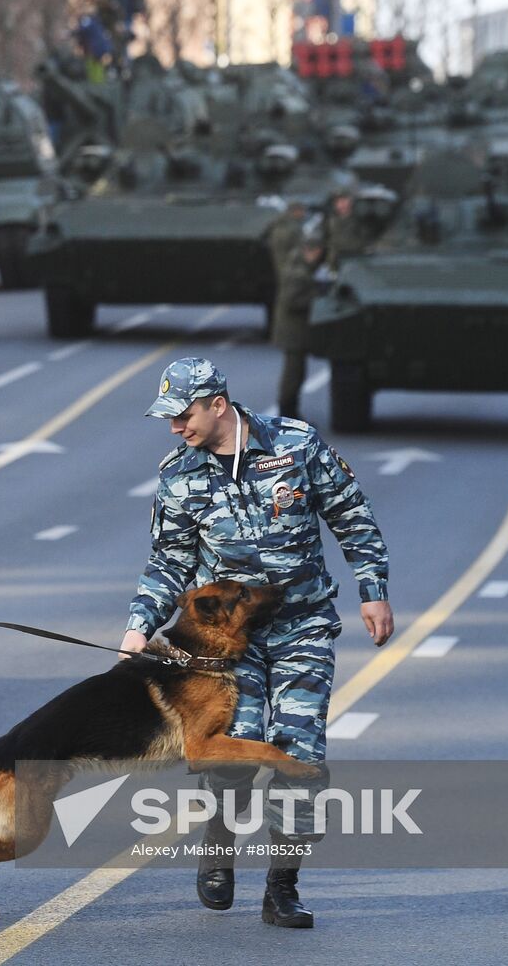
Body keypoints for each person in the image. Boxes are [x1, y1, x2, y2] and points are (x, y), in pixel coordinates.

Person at [119, 357, 394, 929]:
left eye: (183, 415)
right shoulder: (179, 474)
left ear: (218, 404)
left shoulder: (296, 445)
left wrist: (372, 591)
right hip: (223, 647)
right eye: (169, 418)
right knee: (234, 751)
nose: (175, 427)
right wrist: (138, 626)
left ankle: (282, 887)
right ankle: (218, 846)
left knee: (300, 758)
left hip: (302, 627)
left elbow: (352, 516)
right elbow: (169, 561)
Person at [272, 231, 327, 420]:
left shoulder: (301, 267)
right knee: (293, 375)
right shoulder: (298, 273)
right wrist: (317, 297)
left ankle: (290, 411)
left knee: (297, 373)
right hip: (293, 333)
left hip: (295, 332)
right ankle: (287, 411)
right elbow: (292, 301)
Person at [323, 188, 365, 272]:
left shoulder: (360, 220)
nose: (342, 204)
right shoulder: (330, 221)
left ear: (351, 201)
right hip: (335, 263)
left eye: (344, 200)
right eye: (338, 201)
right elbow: (325, 241)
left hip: (356, 261)